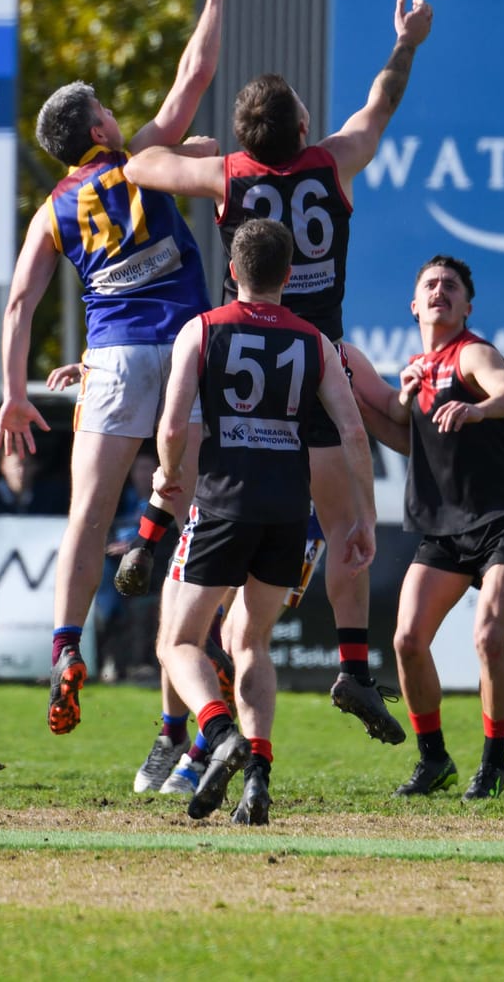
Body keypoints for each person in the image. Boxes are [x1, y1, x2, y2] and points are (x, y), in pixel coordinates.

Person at [120, 0, 434, 746]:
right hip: (317, 359)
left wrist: (190, 147)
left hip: (242, 365)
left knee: (210, 493)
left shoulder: (226, 175)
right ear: (301, 127)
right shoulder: (334, 161)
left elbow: (140, 161)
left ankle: (159, 531)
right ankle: (354, 665)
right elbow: (379, 106)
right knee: (350, 518)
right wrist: (406, 45)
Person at [0, 0, 227, 747]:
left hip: (117, 358)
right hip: (191, 349)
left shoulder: (52, 211)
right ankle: (196, 671)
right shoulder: (139, 163)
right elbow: (193, 76)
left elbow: (21, 300)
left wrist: (16, 393)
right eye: (107, 109)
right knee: (196, 513)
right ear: (98, 122)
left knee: (86, 517)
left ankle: (64, 648)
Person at [150, 218, 375, 823]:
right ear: (289, 276)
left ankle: (220, 733)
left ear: (232, 272)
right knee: (250, 641)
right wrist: (365, 519)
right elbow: (353, 433)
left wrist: (167, 472)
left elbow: (172, 427)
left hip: (224, 503)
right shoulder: (315, 341)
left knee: (178, 641)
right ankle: (257, 779)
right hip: (287, 512)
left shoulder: (201, 330)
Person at [347, 255, 504, 801]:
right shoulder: (417, 370)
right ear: (413, 304)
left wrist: (480, 410)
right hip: (447, 528)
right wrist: (371, 398)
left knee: (488, 637)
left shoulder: (472, 352)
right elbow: (401, 433)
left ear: (466, 306)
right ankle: (435, 761)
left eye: (450, 286)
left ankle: (493, 763)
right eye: (429, 284)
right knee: (407, 640)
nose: (439, 291)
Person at [0, 448, 69, 517]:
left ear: (36, 467)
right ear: (3, 467)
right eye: (16, 465)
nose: (21, 471)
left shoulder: (52, 497)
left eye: (27, 464)